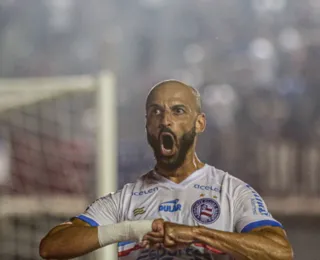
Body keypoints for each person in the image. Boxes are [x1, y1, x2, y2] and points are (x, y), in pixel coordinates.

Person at [39, 80, 293, 260]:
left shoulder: (231, 192)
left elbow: (280, 252)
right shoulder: (125, 199)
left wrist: (195, 233)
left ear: (199, 123)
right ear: (148, 124)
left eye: (178, 111)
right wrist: (132, 229)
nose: (166, 120)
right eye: (156, 112)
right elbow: (51, 247)